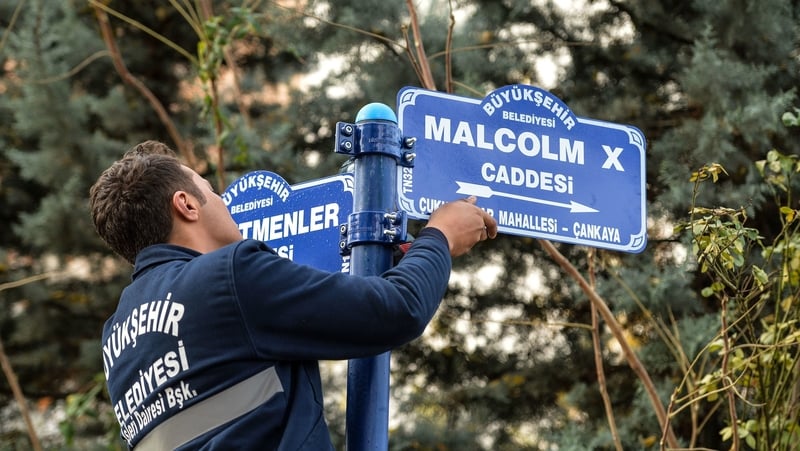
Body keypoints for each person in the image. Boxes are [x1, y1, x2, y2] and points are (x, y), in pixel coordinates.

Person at [90, 140, 497, 450]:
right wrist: (440, 236)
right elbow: (398, 310)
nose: (221, 199)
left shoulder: (117, 337)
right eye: (210, 189)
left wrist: (393, 257)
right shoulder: (230, 275)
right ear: (186, 205)